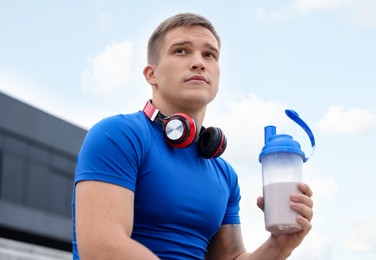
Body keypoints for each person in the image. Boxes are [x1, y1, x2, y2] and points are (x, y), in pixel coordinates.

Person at [72, 12, 313, 259]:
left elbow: (230, 257)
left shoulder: (225, 174)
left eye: (209, 54)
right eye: (182, 51)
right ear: (151, 74)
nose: (199, 62)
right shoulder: (118, 135)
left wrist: (279, 246)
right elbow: (102, 248)